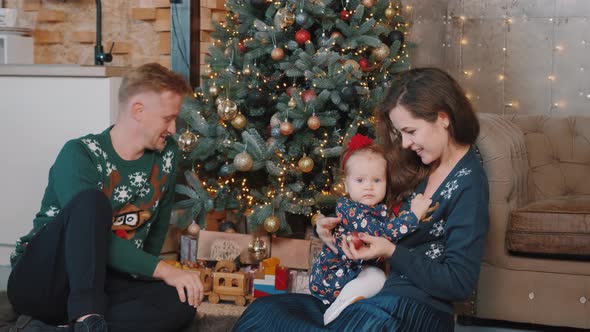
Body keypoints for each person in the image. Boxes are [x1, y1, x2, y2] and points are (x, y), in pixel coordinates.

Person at [232, 67, 490, 331]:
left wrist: (391, 251)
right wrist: (332, 231)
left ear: (443, 118)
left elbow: (458, 283)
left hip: (413, 309)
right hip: (371, 293)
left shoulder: (469, 184)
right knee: (265, 313)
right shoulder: (419, 163)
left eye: (411, 131)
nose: (404, 143)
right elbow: (371, 216)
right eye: (401, 133)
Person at [7, 63, 203, 332]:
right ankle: (87, 318)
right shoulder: (79, 154)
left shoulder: (166, 155)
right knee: (91, 202)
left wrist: (154, 277)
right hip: (43, 282)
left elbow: (154, 234)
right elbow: (89, 236)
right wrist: (163, 270)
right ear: (138, 111)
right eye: (167, 118)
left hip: (102, 282)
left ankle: (63, 327)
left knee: (181, 301)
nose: (172, 129)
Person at [309, 133, 432, 325]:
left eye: (377, 180)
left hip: (353, 271)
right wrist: (414, 215)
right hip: (334, 276)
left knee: (377, 278)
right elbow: (382, 233)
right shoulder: (352, 211)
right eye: (360, 180)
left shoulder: (375, 210)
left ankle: (352, 305)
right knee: (377, 278)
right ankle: (335, 311)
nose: (369, 187)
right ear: (346, 185)